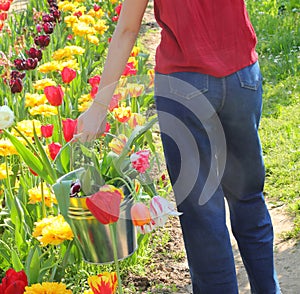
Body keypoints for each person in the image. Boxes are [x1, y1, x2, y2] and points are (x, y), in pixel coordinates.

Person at [76, 0, 281, 293]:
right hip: (241, 79)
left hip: (185, 87)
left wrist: (99, 106)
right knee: (248, 198)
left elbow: (127, 30)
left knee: (203, 213)